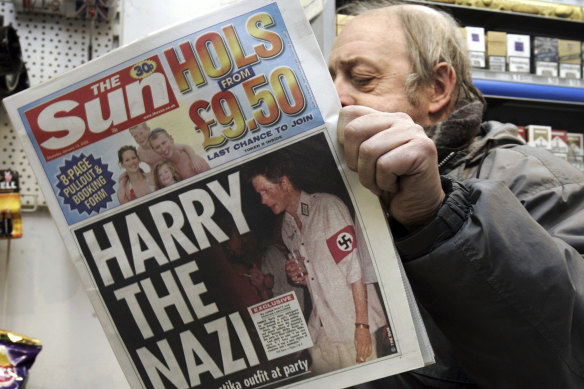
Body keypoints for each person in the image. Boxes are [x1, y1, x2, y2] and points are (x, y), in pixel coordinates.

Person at [328, 2, 584, 388]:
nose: (334, 97)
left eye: (362, 78)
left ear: (437, 88)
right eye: (327, 80)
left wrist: (437, 217)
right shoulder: (340, 194)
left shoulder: (537, 181)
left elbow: (567, 357)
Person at [249, 155, 387, 374]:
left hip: (352, 326)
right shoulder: (287, 227)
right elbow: (316, 277)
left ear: (284, 183)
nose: (263, 200)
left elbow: (355, 269)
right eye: (259, 194)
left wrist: (361, 326)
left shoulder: (326, 207)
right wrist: (299, 277)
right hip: (321, 327)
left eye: (265, 191)